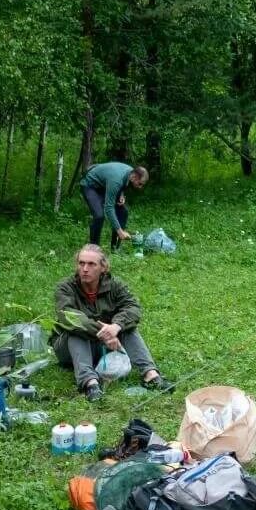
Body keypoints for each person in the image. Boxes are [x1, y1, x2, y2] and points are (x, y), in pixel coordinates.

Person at [53, 244, 174, 401]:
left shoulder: (115, 285)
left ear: (103, 268)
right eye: (81, 263)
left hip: (103, 346)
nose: (84, 269)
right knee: (76, 330)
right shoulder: (65, 288)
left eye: (91, 264)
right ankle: (90, 383)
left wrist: (116, 327)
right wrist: (106, 334)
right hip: (69, 349)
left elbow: (133, 308)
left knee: (127, 327)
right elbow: (69, 316)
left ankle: (150, 375)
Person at [81, 161, 149, 249]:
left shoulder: (130, 172)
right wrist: (120, 231)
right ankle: (94, 249)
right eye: (140, 184)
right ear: (134, 177)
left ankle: (115, 248)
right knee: (99, 216)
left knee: (123, 212)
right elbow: (109, 208)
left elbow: (122, 184)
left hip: (104, 185)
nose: (140, 187)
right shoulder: (116, 180)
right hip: (90, 185)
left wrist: (121, 194)